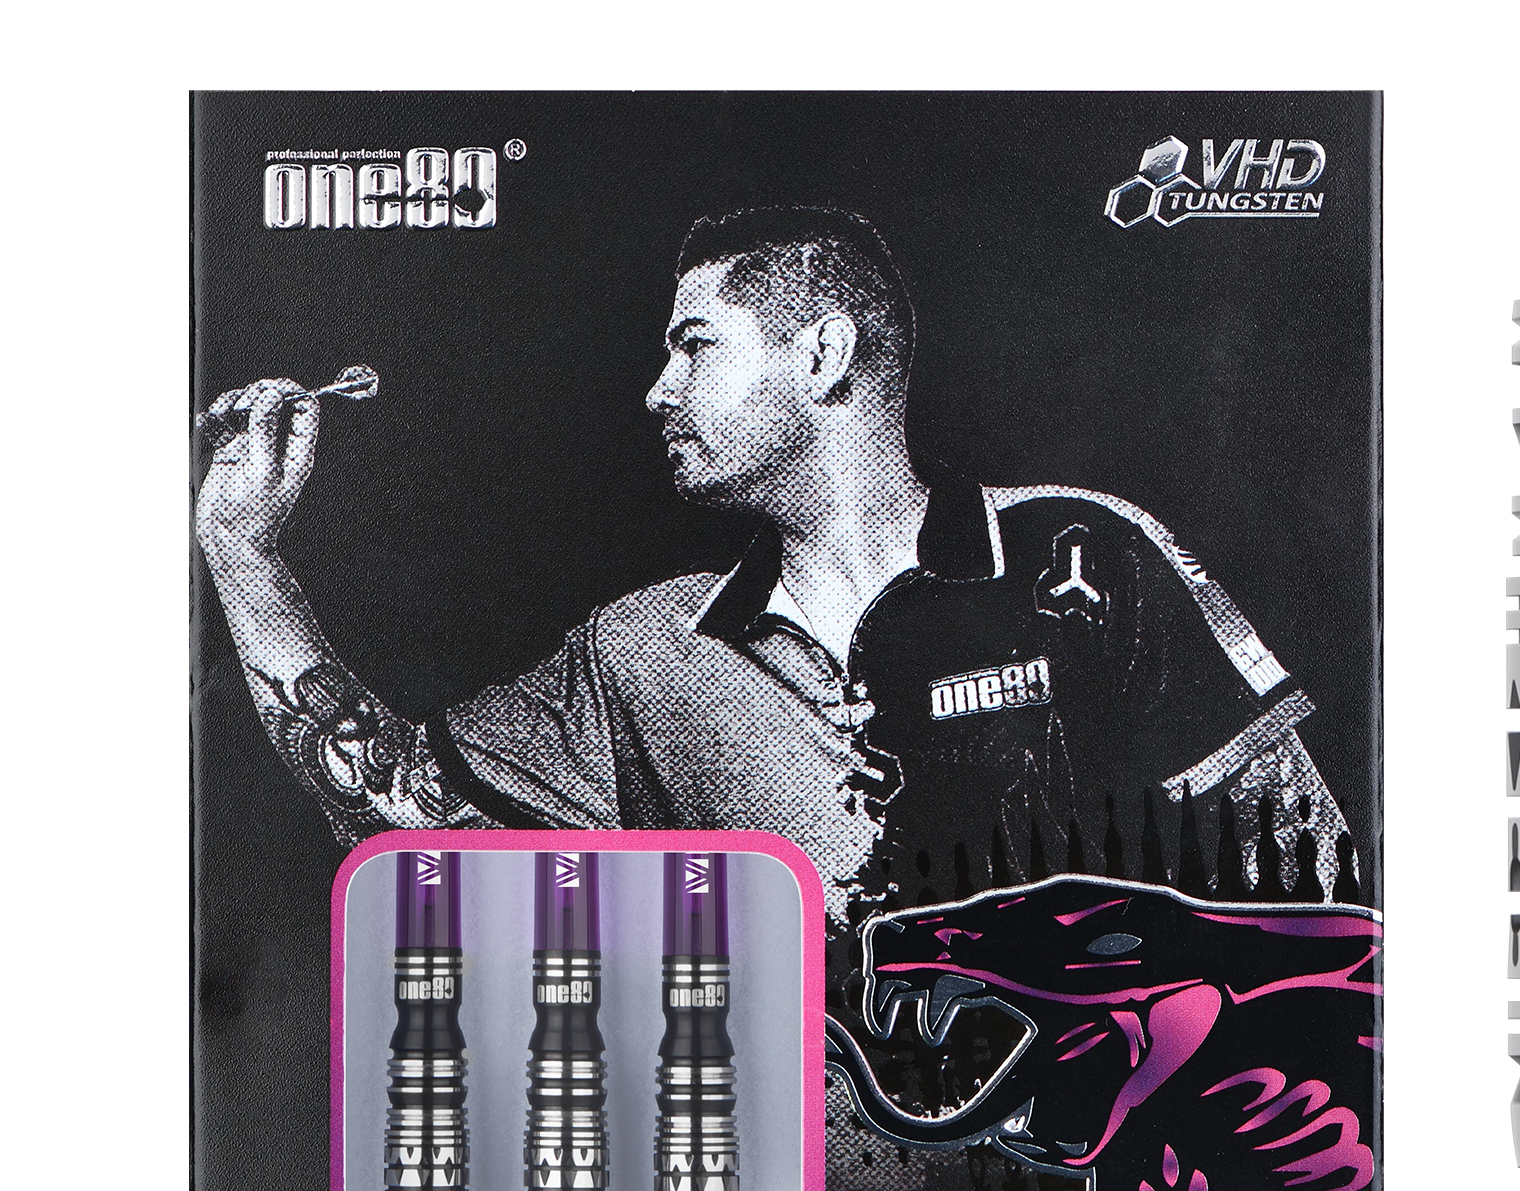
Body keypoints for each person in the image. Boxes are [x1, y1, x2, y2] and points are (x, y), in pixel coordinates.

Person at [195, 205, 1349, 917]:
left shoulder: (1080, 556)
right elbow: (408, 814)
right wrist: (244, 552)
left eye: (693, 347)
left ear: (823, 352)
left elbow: (1315, 896)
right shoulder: (642, 654)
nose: (657, 390)